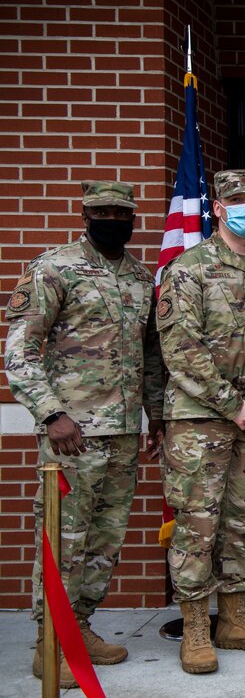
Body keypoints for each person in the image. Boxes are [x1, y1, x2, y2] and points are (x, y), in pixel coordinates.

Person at [5, 180, 165, 688]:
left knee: (105, 539)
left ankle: (80, 625)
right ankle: (48, 644)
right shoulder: (53, 268)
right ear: (85, 214)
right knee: (62, 540)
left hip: (121, 434)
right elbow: (19, 352)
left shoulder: (141, 277)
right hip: (70, 435)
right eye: (102, 211)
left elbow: (151, 356)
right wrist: (52, 415)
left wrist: (155, 415)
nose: (113, 219)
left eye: (122, 212)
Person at [156, 169, 245, 674]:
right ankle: (195, 626)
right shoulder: (187, 269)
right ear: (217, 207)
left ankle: (235, 618)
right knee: (197, 523)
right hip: (199, 422)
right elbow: (180, 350)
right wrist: (231, 403)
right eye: (237, 199)